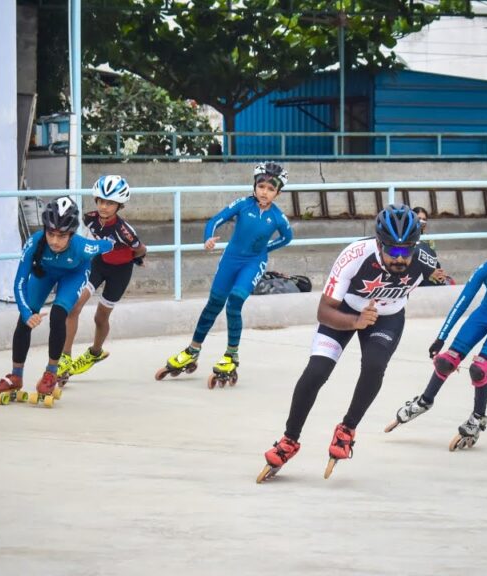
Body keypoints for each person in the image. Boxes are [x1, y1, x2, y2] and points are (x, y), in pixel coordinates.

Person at [256, 204, 437, 482]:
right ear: (379, 244)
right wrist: (355, 322)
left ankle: (346, 430)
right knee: (316, 372)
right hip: (345, 312)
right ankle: (289, 439)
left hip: (387, 316)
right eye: (393, 251)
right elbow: (323, 311)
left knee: (375, 366)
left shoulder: (425, 259)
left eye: (407, 250)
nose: (400, 258)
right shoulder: (354, 256)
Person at [385, 222, 487, 452]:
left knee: (479, 368)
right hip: (484, 314)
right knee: (445, 361)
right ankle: (424, 401)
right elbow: (462, 303)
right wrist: (441, 338)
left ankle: (478, 418)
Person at [156, 162, 293, 388]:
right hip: (231, 259)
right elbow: (215, 220)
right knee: (214, 304)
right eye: (261, 186)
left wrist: (265, 250)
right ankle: (193, 349)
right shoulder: (243, 204)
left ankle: (231, 355)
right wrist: (208, 238)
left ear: (278, 193)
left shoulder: (278, 217)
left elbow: (287, 238)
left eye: (270, 189)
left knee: (235, 302)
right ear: (254, 186)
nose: (264, 192)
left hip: (253, 262)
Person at [0, 197, 114, 407]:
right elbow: (19, 282)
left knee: (58, 315)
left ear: (71, 234)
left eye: (62, 236)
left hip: (73, 275)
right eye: (51, 234)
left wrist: (116, 243)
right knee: (23, 320)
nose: (55, 241)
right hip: (45, 273)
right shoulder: (34, 242)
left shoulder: (83, 247)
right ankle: (16, 375)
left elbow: (106, 245)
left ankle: (51, 373)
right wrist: (28, 313)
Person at [59, 175, 147, 382]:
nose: (104, 207)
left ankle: (95, 352)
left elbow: (141, 249)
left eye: (110, 203)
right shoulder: (89, 218)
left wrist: (137, 259)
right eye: (100, 201)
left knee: (100, 318)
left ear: (119, 205)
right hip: (98, 265)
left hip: (120, 272)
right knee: (73, 307)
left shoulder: (125, 232)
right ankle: (64, 358)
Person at [412, 206, 452, 286]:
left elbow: (433, 261)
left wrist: (440, 273)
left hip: (431, 275)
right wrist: (429, 272)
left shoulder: (429, 239)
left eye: (424, 219)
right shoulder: (407, 239)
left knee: (449, 282)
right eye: (419, 218)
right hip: (415, 276)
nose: (422, 221)